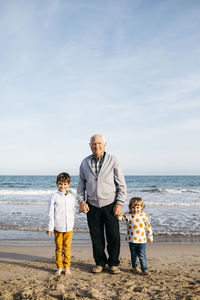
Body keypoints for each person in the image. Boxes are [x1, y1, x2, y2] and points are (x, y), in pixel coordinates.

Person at [77, 134, 127, 274]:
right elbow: (81, 186)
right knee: (96, 237)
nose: (96, 146)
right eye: (94, 143)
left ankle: (113, 263)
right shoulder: (84, 162)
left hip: (111, 204)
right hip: (92, 206)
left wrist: (119, 203)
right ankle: (100, 263)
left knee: (113, 236)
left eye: (99, 143)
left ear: (105, 145)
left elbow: (121, 185)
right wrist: (81, 201)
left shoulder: (113, 160)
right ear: (90, 145)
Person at [46, 172, 75, 276]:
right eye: (60, 184)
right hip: (58, 227)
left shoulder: (71, 197)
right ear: (57, 184)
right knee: (59, 248)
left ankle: (67, 267)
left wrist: (82, 209)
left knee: (67, 248)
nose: (63, 186)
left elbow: (73, 210)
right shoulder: (54, 196)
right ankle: (59, 267)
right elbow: (50, 213)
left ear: (69, 184)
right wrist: (50, 227)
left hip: (69, 227)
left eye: (65, 184)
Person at [118, 197, 153, 275]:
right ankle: (135, 267)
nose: (135, 209)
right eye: (133, 207)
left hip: (142, 240)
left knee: (142, 255)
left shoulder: (144, 216)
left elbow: (148, 227)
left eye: (138, 207)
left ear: (142, 207)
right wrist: (117, 215)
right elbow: (121, 218)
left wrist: (150, 237)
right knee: (133, 255)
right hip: (132, 240)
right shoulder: (128, 215)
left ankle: (144, 269)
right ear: (130, 207)